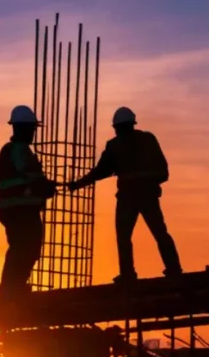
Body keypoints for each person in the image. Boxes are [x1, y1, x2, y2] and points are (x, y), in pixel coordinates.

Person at [68, 107, 182, 282]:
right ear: (132, 124)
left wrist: (78, 183)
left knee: (124, 236)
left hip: (129, 197)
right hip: (147, 195)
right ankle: (173, 269)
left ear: (117, 127)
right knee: (159, 232)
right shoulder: (147, 140)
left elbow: (100, 171)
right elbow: (163, 172)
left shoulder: (115, 145)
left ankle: (128, 273)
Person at [0, 105, 58, 300]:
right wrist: (44, 186)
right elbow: (30, 176)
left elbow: (30, 179)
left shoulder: (16, 150)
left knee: (25, 248)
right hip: (19, 210)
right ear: (21, 128)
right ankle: (10, 290)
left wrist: (42, 188)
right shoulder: (18, 150)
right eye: (31, 129)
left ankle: (14, 287)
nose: (33, 133)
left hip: (18, 209)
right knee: (24, 248)